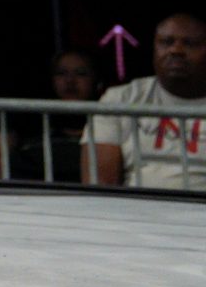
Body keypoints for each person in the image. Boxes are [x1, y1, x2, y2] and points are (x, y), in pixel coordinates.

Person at [85, 12, 206, 192]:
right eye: (166, 42)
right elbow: (100, 185)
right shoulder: (121, 98)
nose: (176, 50)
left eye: (190, 44)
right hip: (137, 208)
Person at [0, 47, 100, 183]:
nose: (70, 81)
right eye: (61, 73)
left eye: (81, 73)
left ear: (96, 81)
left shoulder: (105, 133)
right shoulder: (32, 128)